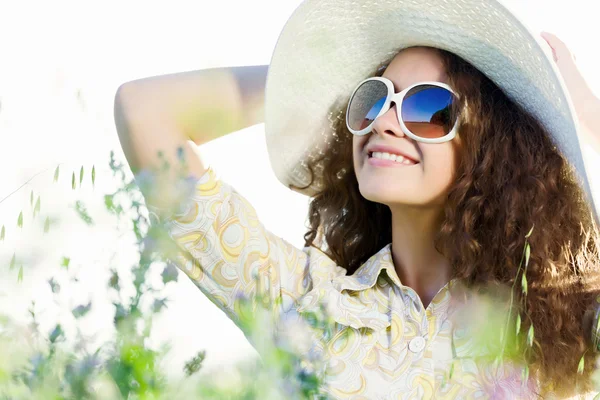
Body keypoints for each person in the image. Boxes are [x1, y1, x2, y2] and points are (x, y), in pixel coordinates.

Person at [113, 0, 600, 398]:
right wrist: (307, 81)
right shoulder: (304, 302)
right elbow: (144, 112)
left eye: (426, 106)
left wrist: (583, 114)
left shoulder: (561, 329)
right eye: (372, 99)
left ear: (492, 145)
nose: (385, 122)